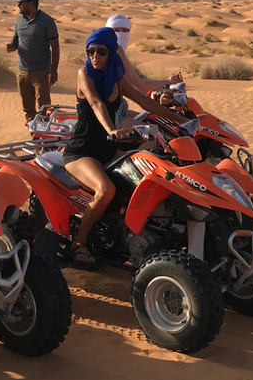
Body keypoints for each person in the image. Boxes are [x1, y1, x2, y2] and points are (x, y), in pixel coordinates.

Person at [64, 28, 187, 267]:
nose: (94, 56)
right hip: (82, 151)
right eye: (90, 51)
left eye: (101, 51)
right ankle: (78, 242)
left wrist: (180, 121)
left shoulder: (117, 78)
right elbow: (96, 102)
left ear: (111, 53)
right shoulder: (84, 73)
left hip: (108, 149)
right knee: (105, 190)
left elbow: (145, 102)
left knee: (150, 174)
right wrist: (111, 129)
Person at [5, 0, 59, 123]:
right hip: (22, 72)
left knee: (44, 108)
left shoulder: (47, 21)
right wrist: (12, 46)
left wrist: (53, 70)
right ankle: (35, 137)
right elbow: (16, 39)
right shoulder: (19, 20)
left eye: (21, 2)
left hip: (41, 72)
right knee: (28, 108)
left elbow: (55, 46)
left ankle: (47, 139)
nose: (19, 5)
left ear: (31, 4)